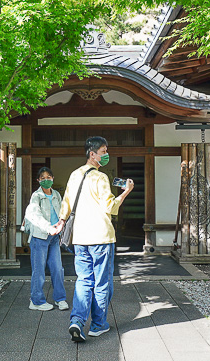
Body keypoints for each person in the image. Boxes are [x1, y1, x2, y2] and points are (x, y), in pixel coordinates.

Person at [54, 136, 134, 341]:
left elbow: (66, 203)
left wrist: (61, 222)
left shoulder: (74, 175)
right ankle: (98, 325)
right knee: (102, 282)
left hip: (80, 238)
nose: (106, 155)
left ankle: (77, 320)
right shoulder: (100, 177)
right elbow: (110, 207)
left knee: (83, 280)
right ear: (93, 154)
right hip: (101, 237)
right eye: (104, 151)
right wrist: (125, 193)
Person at [23, 166, 68, 311]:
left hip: (54, 237)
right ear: (38, 180)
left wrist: (60, 226)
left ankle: (60, 299)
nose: (46, 180)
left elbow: (61, 212)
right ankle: (36, 301)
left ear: (53, 178)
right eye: (43, 178)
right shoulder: (36, 196)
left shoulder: (56, 194)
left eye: (49, 177)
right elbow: (35, 215)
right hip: (40, 237)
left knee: (57, 269)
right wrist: (49, 227)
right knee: (39, 270)